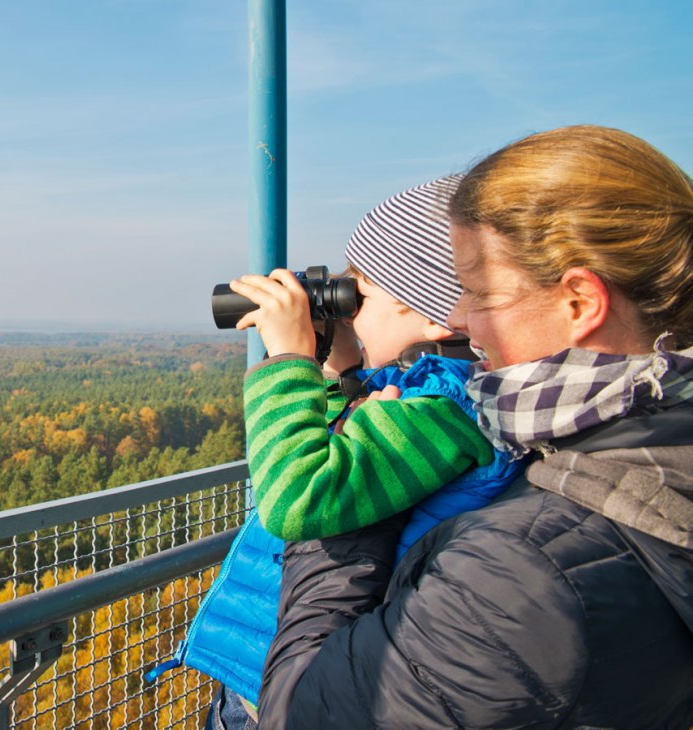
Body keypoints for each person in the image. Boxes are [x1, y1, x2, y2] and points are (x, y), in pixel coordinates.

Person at [254, 124, 693, 729]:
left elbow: (300, 716)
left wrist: (289, 366)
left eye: (479, 292)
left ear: (580, 303)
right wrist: (344, 376)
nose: (460, 319)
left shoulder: (520, 568)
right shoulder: (630, 446)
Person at [185, 176, 522, 729]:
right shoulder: (418, 394)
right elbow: (335, 458)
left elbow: (296, 499)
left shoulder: (444, 409)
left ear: (439, 316)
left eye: (361, 296)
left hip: (307, 688)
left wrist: (286, 358)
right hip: (287, 665)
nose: (348, 310)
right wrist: (336, 369)